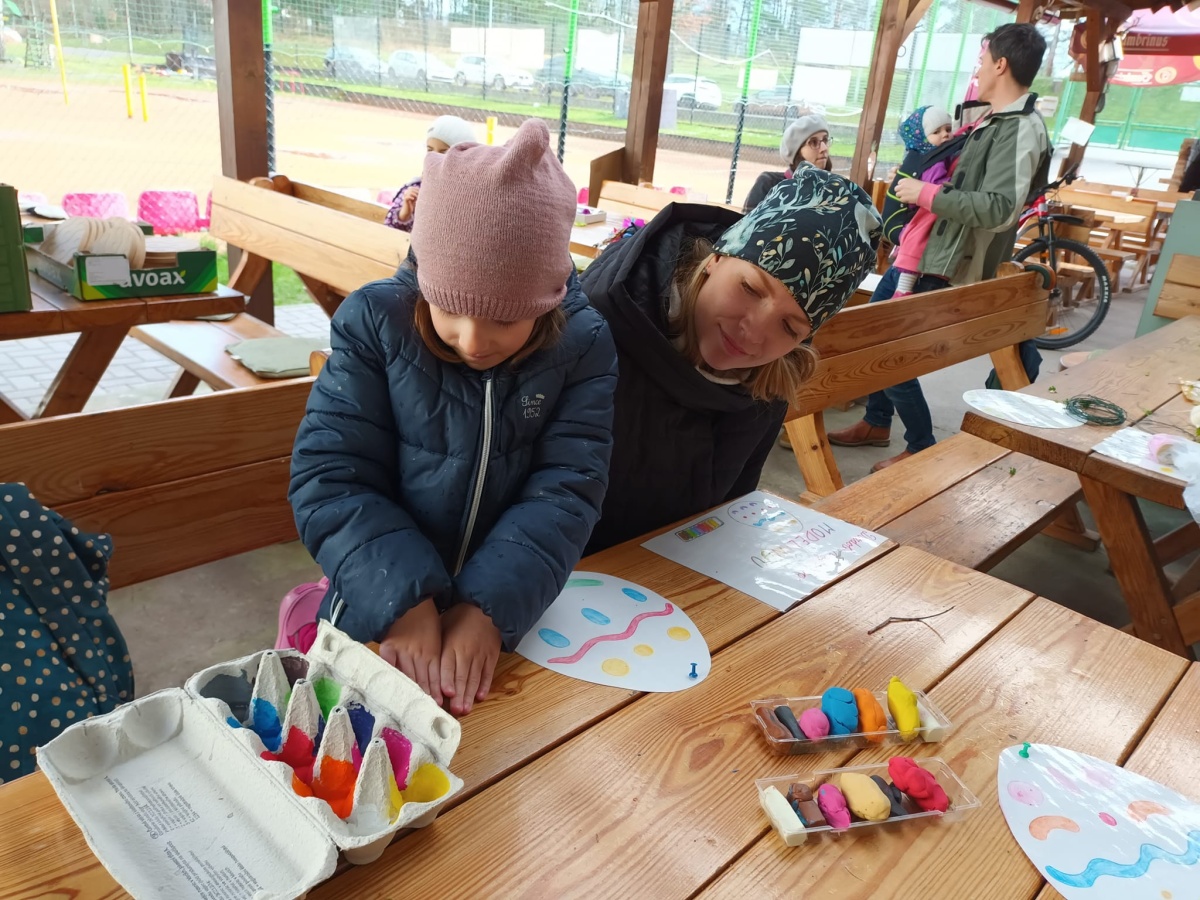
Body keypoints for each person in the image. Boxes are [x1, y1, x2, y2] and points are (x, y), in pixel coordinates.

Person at [286, 120, 618, 716]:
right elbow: (330, 476)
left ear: (546, 301)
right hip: (377, 600)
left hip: (507, 617)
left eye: (505, 318)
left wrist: (486, 610)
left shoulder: (583, 344)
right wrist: (404, 601)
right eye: (450, 308)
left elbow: (568, 490)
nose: (473, 341)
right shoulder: (375, 324)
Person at [581, 168, 881, 553]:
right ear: (717, 258)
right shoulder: (597, 326)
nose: (753, 334)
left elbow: (730, 507)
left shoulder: (771, 382)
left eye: (789, 327)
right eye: (751, 288)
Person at [828, 23, 1050, 471]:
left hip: (945, 264)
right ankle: (877, 422)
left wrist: (925, 193)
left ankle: (921, 445)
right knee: (874, 336)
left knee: (884, 351)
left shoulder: (1020, 128)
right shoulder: (992, 120)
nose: (977, 70)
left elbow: (1001, 208)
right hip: (925, 252)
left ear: (1000, 65)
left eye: (981, 61)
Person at [880, 105, 953, 297]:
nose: (945, 134)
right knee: (917, 244)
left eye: (948, 129)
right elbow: (935, 185)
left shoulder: (919, 158)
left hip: (908, 221)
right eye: (936, 132)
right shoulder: (934, 162)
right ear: (922, 138)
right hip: (914, 221)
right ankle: (903, 289)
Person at [384, 115, 477, 232]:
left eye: (444, 151)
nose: (434, 157)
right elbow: (390, 229)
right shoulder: (417, 187)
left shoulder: (472, 195)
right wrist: (405, 214)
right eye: (430, 150)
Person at [743, 114, 833, 211]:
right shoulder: (769, 184)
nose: (824, 148)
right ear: (797, 152)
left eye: (825, 140)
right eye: (813, 142)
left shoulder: (834, 191)